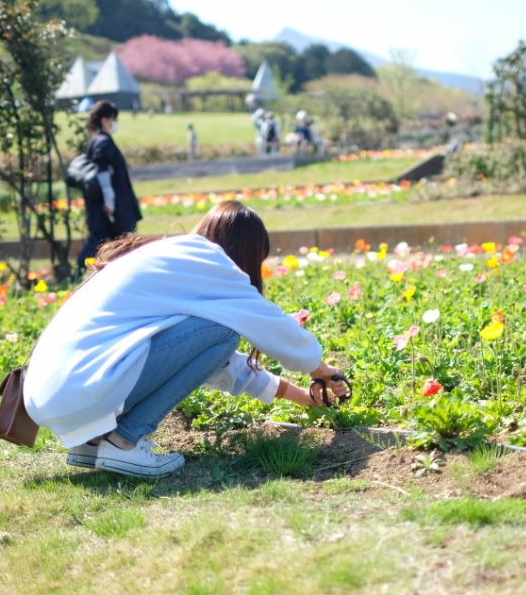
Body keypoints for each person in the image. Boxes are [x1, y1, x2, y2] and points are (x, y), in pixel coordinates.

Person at [24, 201, 349, 478]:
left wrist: (304, 397)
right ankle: (123, 442)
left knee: (219, 336)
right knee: (224, 333)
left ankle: (93, 441)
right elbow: (270, 329)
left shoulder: (170, 255)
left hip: (51, 393)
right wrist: (320, 368)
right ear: (245, 250)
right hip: (82, 387)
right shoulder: (213, 263)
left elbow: (216, 364)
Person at [76, 100, 142, 275]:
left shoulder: (95, 140)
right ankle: (78, 271)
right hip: (110, 206)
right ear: (105, 119)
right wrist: (110, 202)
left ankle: (101, 274)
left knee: (109, 243)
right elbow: (103, 172)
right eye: (113, 119)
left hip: (104, 205)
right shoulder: (102, 142)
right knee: (101, 242)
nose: (115, 123)